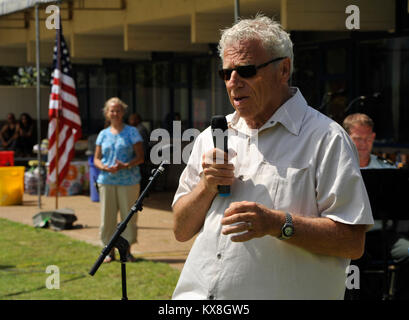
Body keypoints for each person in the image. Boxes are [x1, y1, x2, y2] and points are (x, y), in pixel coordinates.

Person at [171, 15, 374, 300]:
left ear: (284, 70)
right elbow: (181, 230)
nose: (233, 82)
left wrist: (278, 225)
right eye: (226, 73)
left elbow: (352, 242)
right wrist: (206, 187)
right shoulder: (212, 136)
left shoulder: (326, 138)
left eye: (246, 70)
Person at [343, 113, 409, 265]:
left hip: (384, 235)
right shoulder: (337, 169)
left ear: (373, 137)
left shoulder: (387, 169)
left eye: (368, 139)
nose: (363, 144)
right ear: (346, 137)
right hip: (350, 235)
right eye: (358, 139)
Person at [94, 97, 145, 263]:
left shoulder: (132, 132)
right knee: (107, 218)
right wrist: (103, 167)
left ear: (123, 112)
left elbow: (140, 157)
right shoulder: (102, 134)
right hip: (107, 181)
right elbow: (96, 159)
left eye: (118, 110)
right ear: (107, 113)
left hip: (128, 182)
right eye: (112, 110)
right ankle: (109, 252)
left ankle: (127, 251)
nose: (115, 113)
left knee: (128, 218)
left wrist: (126, 165)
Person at [128, 113, 150, 192]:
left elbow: (143, 146)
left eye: (132, 119)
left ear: (137, 120)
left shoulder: (140, 130)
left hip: (140, 157)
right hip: (139, 157)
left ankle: (142, 192)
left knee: (142, 175)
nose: (130, 122)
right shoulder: (136, 129)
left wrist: (139, 157)